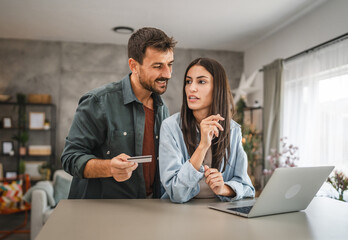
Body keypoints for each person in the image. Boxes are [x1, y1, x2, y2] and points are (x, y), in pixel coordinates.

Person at [61, 27, 176, 199]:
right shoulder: (98, 101)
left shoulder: (162, 108)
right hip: (101, 213)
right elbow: (70, 158)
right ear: (134, 66)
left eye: (170, 64)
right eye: (158, 66)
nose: (167, 74)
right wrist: (109, 168)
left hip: (150, 208)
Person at [159, 57, 255, 203]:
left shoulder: (233, 130)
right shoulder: (170, 127)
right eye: (188, 81)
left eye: (201, 81)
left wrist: (224, 188)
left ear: (217, 88)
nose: (192, 88)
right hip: (179, 213)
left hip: (220, 212)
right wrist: (203, 146)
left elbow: (247, 187)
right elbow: (175, 192)